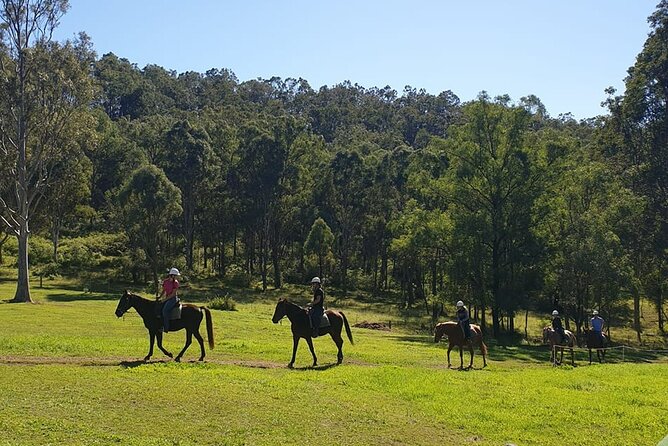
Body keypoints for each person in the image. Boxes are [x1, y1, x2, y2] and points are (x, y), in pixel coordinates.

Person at [158, 267, 181, 332]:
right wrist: (159, 297)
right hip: (167, 298)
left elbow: (173, 294)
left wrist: (164, 300)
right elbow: (164, 290)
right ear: (172, 275)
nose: (176, 277)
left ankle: (166, 327)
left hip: (173, 299)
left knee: (165, 310)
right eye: (176, 276)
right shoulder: (165, 281)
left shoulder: (176, 283)